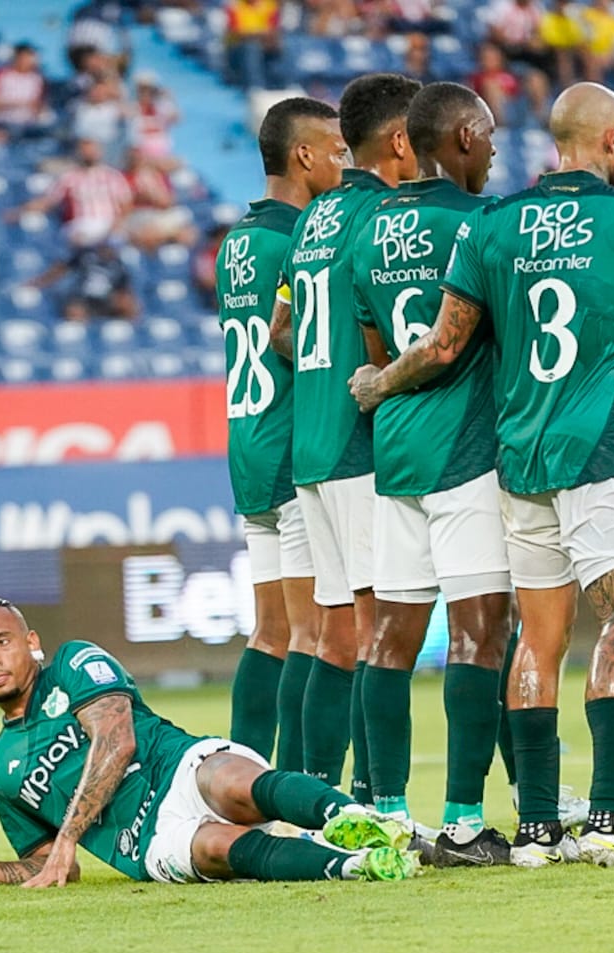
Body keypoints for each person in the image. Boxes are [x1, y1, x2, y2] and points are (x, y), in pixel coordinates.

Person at [349, 82, 614, 867]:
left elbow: (448, 340)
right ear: (610, 140)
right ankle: (612, 822)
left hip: (517, 462)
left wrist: (378, 383)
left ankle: (538, 830)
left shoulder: (496, 225)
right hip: (600, 455)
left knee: (536, 643)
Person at [0, 597, 418, 888]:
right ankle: (359, 866)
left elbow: (117, 741)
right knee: (215, 848)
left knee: (231, 782)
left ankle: (352, 817)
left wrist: (70, 835)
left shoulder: (73, 662)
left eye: (2, 642)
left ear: (31, 641)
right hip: (145, 840)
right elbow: (53, 866)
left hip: (175, 767)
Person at [347, 83, 512, 865]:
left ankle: (384, 813)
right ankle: (463, 821)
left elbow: (375, 344)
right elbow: (472, 340)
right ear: (466, 137)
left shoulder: (368, 231)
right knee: (481, 635)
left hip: (396, 453)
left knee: (389, 637)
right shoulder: (479, 222)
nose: (495, 151)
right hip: (466, 450)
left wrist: (384, 387)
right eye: (489, 136)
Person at [269, 73, 421, 793]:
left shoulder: (315, 216)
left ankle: (312, 793)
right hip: (360, 446)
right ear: (402, 139)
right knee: (371, 630)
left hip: (311, 445)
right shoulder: (384, 215)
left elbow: (285, 334)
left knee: (331, 633)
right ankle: (366, 797)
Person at [214, 97, 342, 774]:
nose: (343, 164)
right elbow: (296, 344)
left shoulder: (237, 241)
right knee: (316, 635)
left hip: (249, 450)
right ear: (304, 156)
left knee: (270, 631)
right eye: (336, 150)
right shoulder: (298, 240)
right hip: (295, 453)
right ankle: (290, 796)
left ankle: (237, 783)